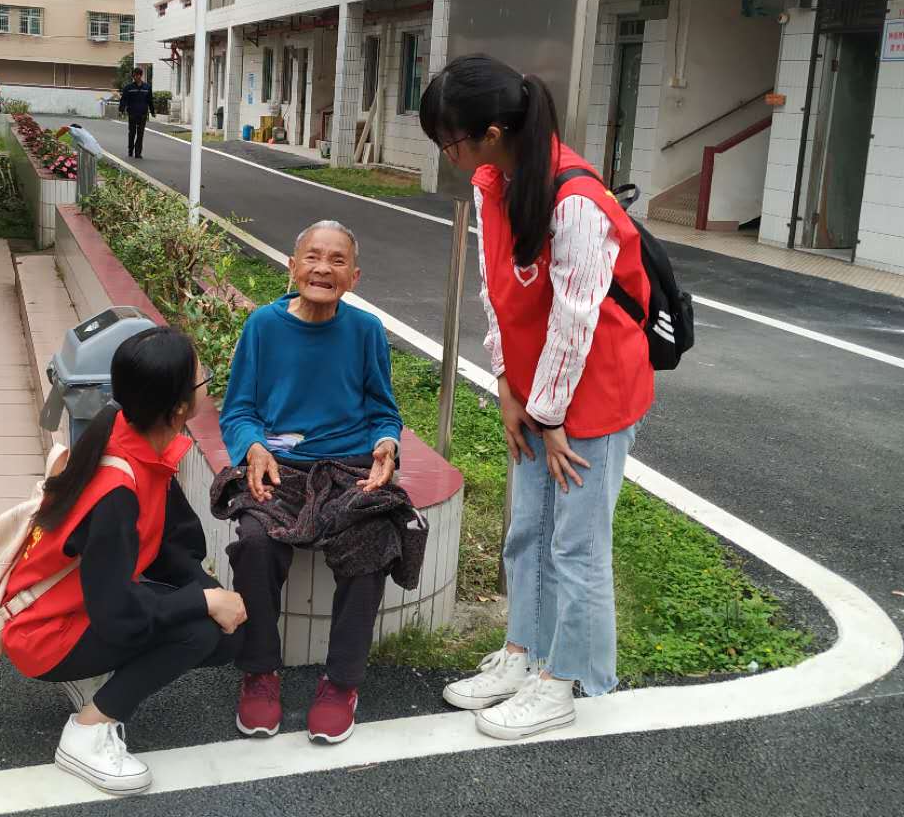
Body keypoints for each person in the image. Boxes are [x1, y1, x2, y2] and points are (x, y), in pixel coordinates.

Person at [418, 53, 654, 739]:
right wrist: (506, 385)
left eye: (450, 142)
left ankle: (563, 681)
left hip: (594, 394)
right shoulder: (492, 183)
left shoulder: (576, 200)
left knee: (577, 545)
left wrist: (550, 416)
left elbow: (576, 321)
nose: (448, 156)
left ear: (492, 132)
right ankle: (523, 653)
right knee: (527, 531)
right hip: (536, 391)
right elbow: (497, 292)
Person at [1, 327, 247, 796]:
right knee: (199, 632)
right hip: (45, 634)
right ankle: (87, 732)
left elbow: (172, 544)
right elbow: (118, 612)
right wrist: (203, 603)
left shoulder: (127, 431)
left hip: (74, 606)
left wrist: (210, 592)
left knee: (222, 633)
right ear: (178, 408)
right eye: (202, 380)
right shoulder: (115, 490)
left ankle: (93, 677)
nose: (208, 385)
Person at [217, 220, 414, 745]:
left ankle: (341, 682)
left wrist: (387, 443)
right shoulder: (263, 326)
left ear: (354, 276)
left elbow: (383, 410)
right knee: (255, 541)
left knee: (374, 536)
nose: (323, 269)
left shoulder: (366, 330)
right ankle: (260, 671)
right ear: (292, 265)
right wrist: (253, 447)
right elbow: (238, 410)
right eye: (312, 257)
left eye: (337, 261)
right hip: (279, 466)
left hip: (348, 467)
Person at [119, 67, 153, 158]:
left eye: (137, 75)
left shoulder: (147, 87)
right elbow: (124, 100)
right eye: (133, 76)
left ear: (140, 76)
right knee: (132, 132)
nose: (135, 77)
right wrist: (121, 110)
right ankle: (130, 149)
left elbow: (150, 100)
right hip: (132, 113)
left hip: (143, 113)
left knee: (140, 133)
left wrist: (152, 111)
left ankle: (138, 153)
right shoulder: (128, 88)